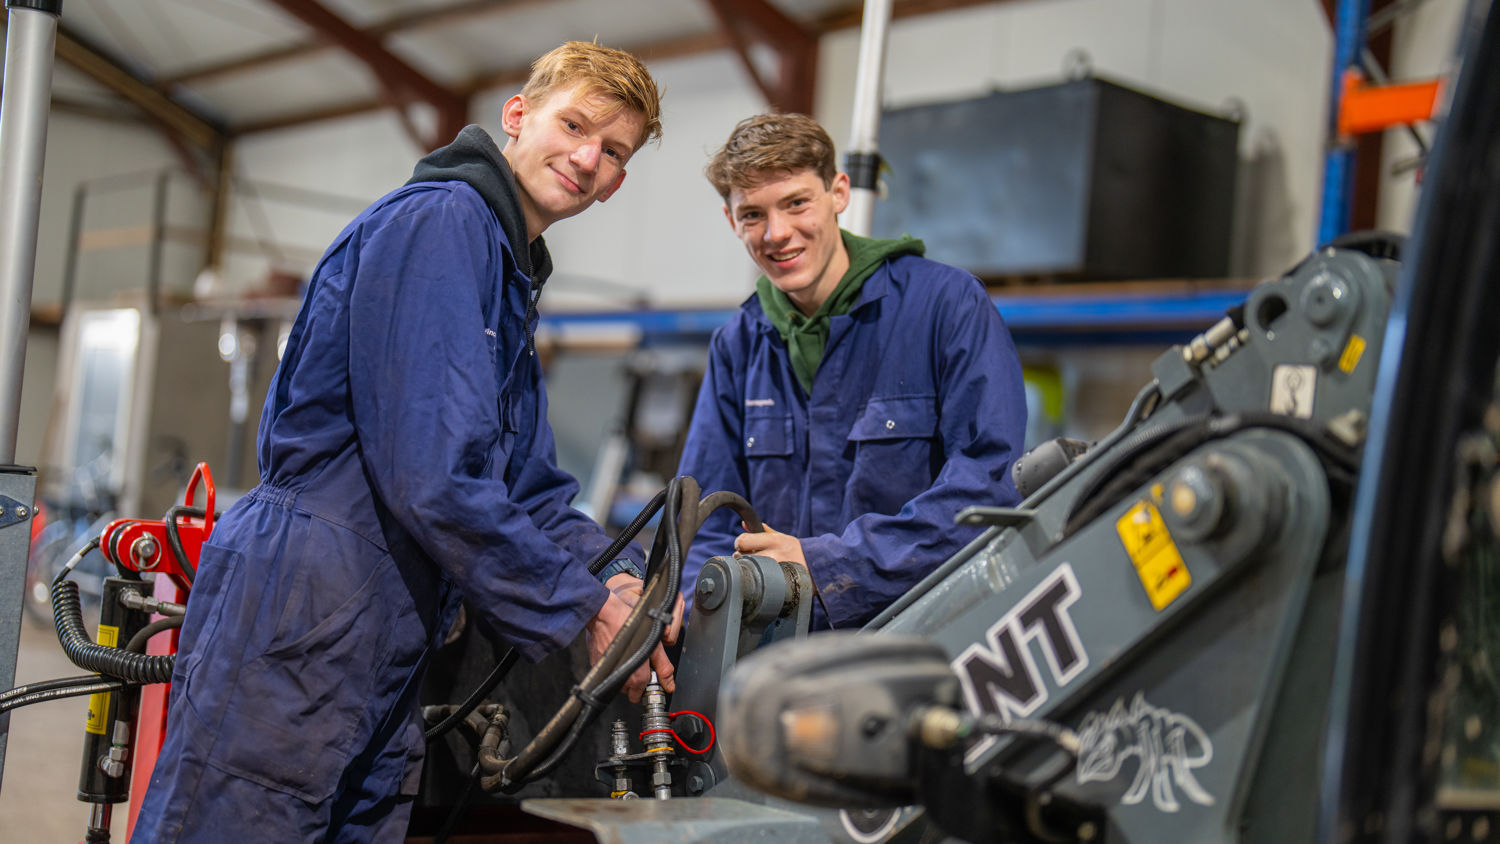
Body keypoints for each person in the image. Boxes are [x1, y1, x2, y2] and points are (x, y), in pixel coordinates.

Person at [135, 42, 671, 842]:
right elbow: (434, 476)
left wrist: (626, 587)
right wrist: (580, 608)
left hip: (388, 621)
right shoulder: (442, 224)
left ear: (619, 180)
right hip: (308, 602)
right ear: (518, 117)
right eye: (576, 125)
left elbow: (531, 489)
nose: (588, 158)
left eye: (614, 151)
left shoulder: (507, 274)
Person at [677, 113, 1027, 630]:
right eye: (752, 214)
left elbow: (985, 489)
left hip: (919, 636)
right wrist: (698, 612)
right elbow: (703, 519)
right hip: (776, 648)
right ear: (731, 221)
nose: (777, 233)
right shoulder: (739, 344)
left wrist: (826, 565)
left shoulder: (945, 306)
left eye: (796, 202)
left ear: (838, 192)